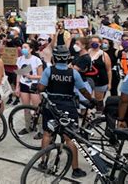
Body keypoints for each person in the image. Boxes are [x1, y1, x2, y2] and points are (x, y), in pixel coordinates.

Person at [38, 46, 96, 179]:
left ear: (54, 57)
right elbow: (83, 90)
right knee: (70, 138)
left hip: (51, 106)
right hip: (68, 107)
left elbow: (41, 87)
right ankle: (75, 169)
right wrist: (91, 100)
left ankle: (42, 163)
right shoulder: (73, 73)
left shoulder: (49, 70)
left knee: (47, 133)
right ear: (68, 58)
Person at [15, 43, 43, 136]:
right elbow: (19, 74)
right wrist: (17, 86)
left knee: (37, 108)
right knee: (25, 107)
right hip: (24, 85)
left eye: (25, 47)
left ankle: (41, 130)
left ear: (31, 49)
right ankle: (28, 126)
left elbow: (41, 76)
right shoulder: (19, 59)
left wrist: (30, 76)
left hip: (34, 85)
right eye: (22, 47)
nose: (23, 49)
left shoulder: (36, 60)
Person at [88, 36, 112, 112]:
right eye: (92, 42)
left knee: (99, 100)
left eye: (96, 42)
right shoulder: (87, 52)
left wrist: (109, 83)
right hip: (88, 79)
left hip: (100, 81)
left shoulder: (104, 55)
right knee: (87, 98)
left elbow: (109, 70)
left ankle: (99, 115)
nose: (94, 43)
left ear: (100, 43)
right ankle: (87, 114)